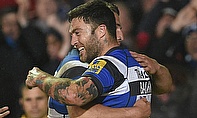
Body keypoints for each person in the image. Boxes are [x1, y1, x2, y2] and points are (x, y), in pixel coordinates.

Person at [26, 0, 172, 118]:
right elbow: (76, 109)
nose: (119, 35)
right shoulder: (80, 63)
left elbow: (162, 87)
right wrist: (134, 113)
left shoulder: (122, 60)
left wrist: (158, 69)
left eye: (118, 27)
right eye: (114, 28)